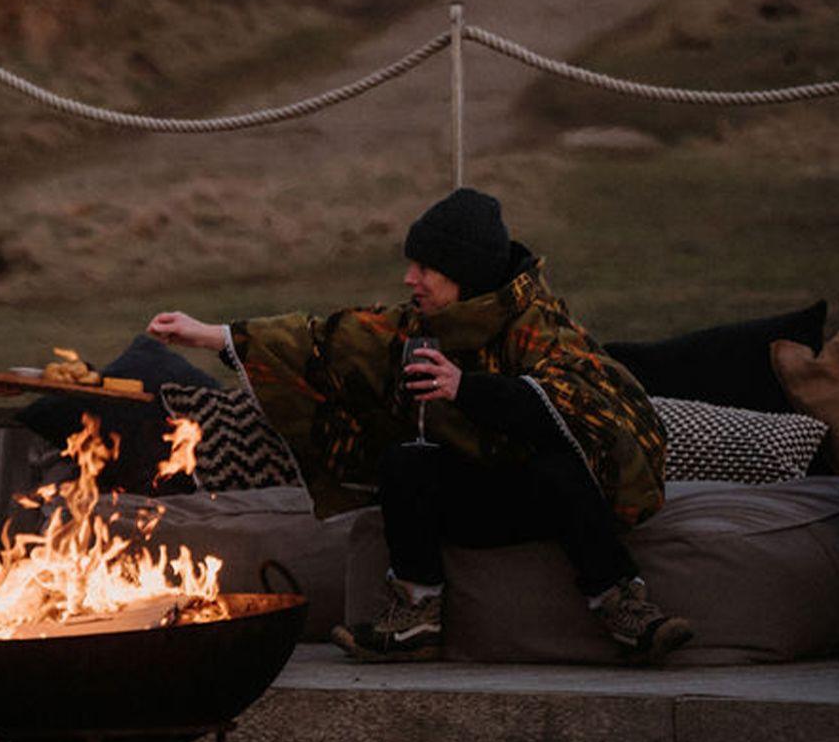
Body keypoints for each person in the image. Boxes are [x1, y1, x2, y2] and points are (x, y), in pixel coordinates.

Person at [148, 186, 691, 664]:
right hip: (476, 503)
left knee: (558, 469)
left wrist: (467, 388)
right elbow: (328, 338)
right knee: (404, 464)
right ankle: (415, 614)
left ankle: (625, 607)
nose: (411, 279)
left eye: (425, 268)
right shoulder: (418, 326)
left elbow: (584, 408)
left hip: (555, 503)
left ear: (464, 273)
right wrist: (210, 334)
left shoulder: (539, 325)